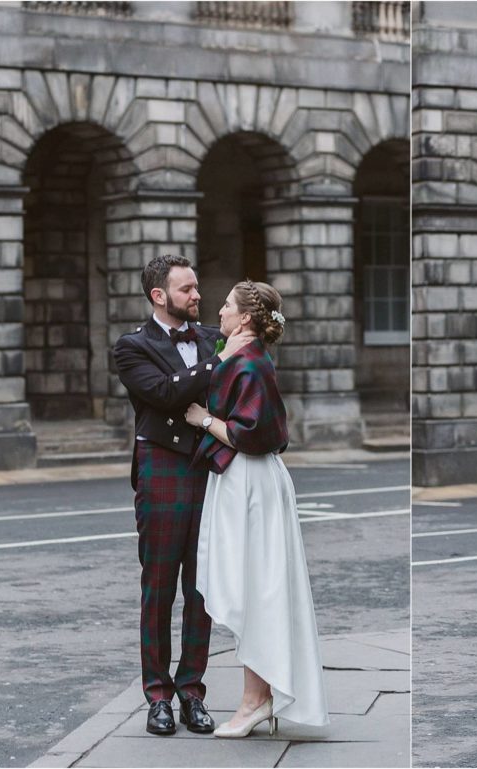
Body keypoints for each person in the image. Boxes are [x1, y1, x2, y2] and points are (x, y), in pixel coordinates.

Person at [184, 280, 329, 738]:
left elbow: (248, 435)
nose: (219, 311)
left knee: (257, 588)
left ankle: (255, 700)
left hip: (250, 480)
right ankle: (258, 695)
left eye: (227, 305)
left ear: (245, 317)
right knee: (254, 586)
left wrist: (203, 418)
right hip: (241, 480)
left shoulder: (251, 363)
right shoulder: (240, 355)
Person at [113, 254, 248, 736]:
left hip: (210, 470)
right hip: (162, 469)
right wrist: (221, 360)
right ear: (159, 296)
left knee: (200, 588)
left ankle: (192, 691)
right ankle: (157, 696)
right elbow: (166, 394)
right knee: (159, 585)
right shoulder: (132, 347)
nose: (197, 295)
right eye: (186, 289)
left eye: (196, 287)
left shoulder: (212, 338)